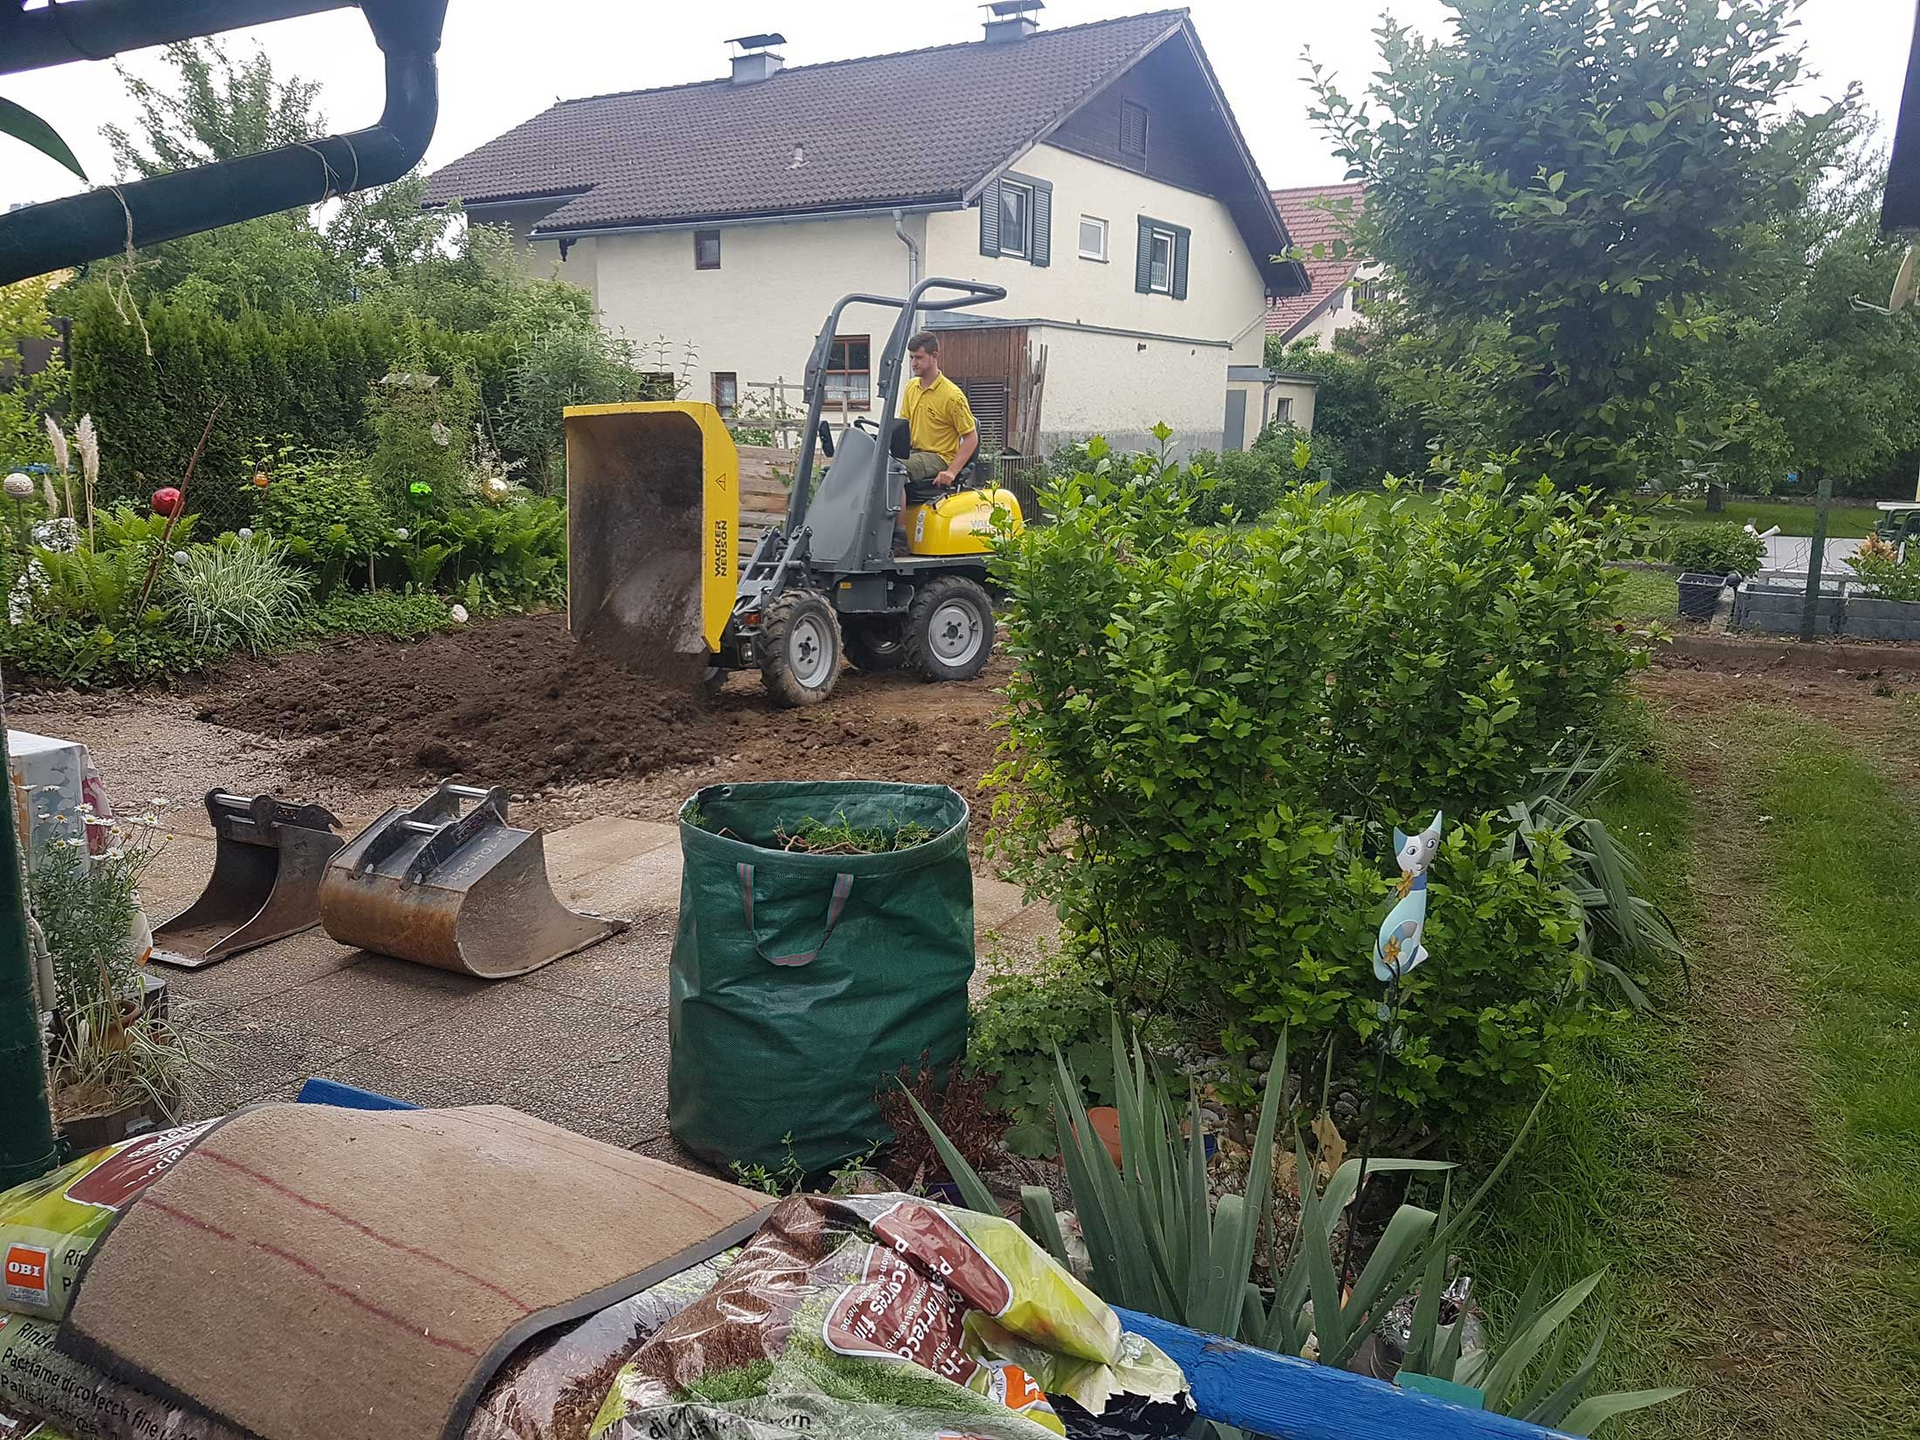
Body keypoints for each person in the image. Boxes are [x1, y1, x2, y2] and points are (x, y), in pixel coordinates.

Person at [898, 331, 978, 490]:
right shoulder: (911, 387)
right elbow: (903, 425)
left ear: (934, 356)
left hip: (939, 457)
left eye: (919, 358)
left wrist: (951, 472)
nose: (913, 363)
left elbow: (971, 438)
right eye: (911, 358)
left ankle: (896, 516)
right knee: (874, 464)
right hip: (914, 452)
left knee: (894, 470)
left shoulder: (952, 397)